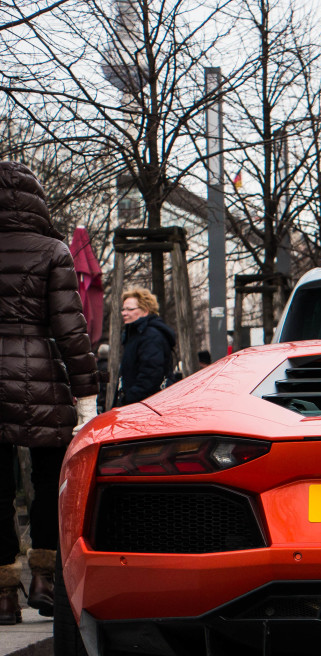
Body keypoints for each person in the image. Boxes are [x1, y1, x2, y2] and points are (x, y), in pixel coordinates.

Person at [0, 161, 98, 625]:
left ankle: (2, 595)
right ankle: (44, 580)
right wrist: (87, 396)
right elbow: (71, 332)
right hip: (41, 381)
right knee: (48, 484)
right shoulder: (52, 250)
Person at [115, 286, 176, 406]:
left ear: (145, 311)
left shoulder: (150, 335)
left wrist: (129, 399)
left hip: (145, 405)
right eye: (123, 309)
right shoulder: (135, 334)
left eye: (130, 309)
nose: (124, 313)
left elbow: (151, 375)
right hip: (141, 403)